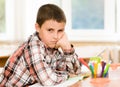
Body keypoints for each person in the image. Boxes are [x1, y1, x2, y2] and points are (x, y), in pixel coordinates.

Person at [0, 4, 81, 87]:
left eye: (60, 30)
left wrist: (67, 48)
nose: (56, 36)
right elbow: (48, 82)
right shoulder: (33, 46)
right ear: (37, 27)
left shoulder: (52, 47)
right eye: (50, 30)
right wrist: (67, 76)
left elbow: (75, 72)